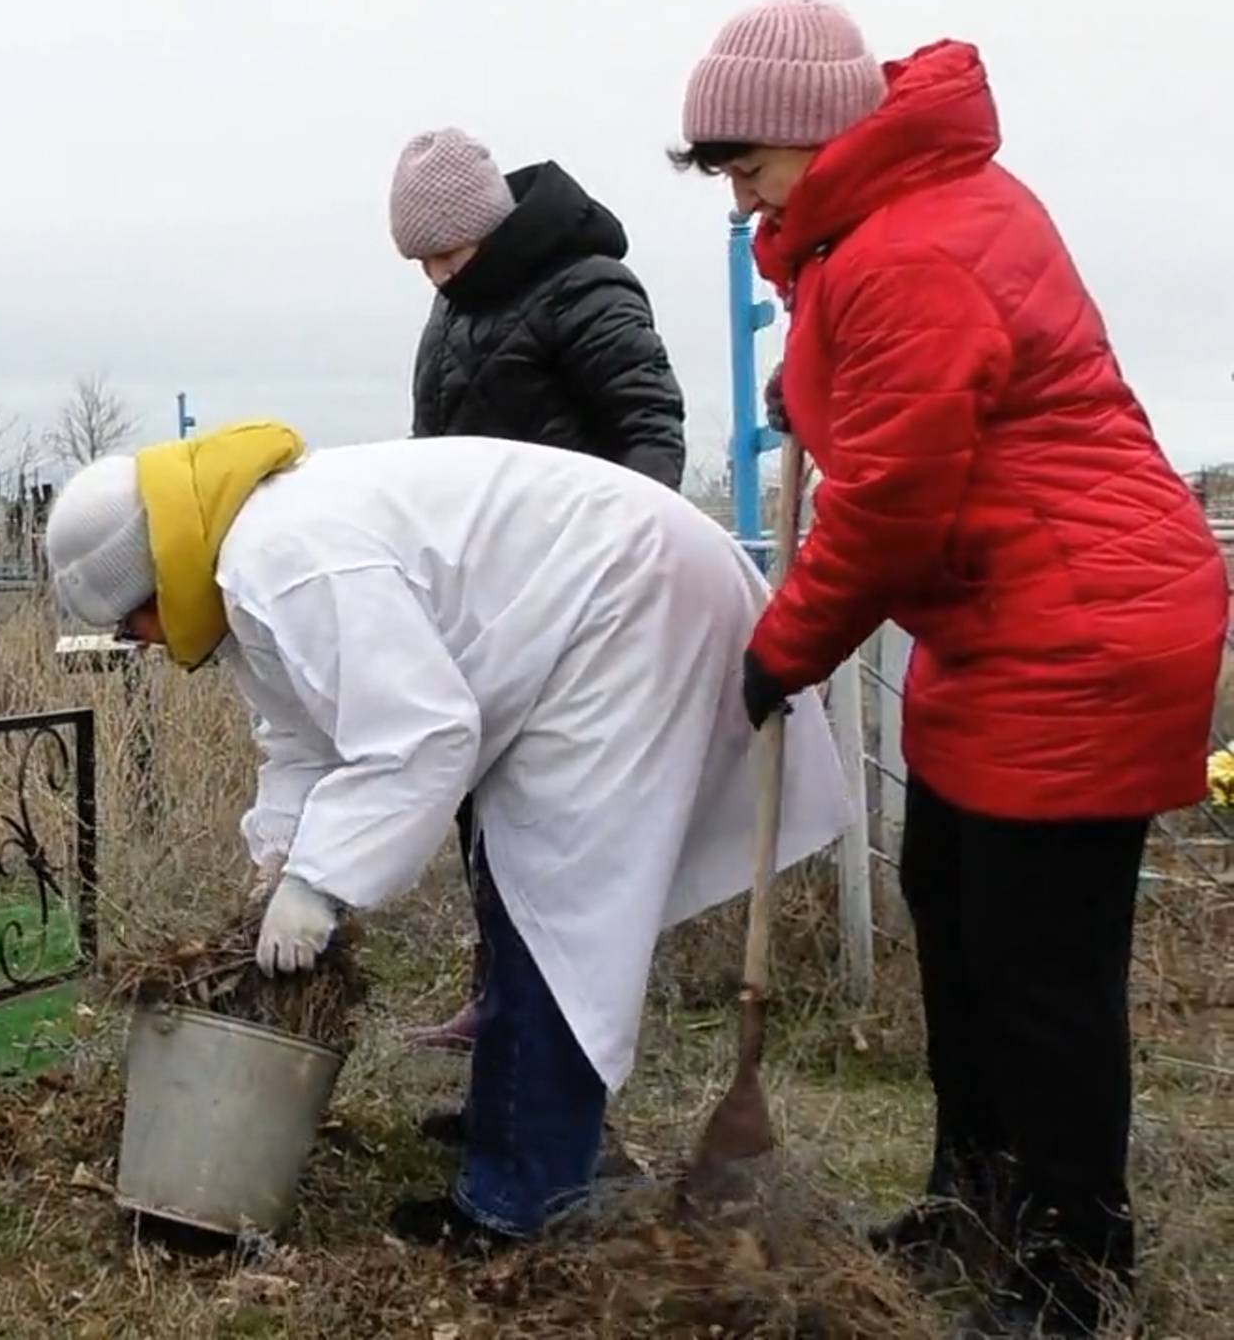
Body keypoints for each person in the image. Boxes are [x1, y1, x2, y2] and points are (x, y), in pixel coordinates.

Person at [674, 0, 1228, 1333]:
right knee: (958, 916)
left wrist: (781, 649)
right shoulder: (883, 223)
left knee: (1039, 971)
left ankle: (1071, 1266)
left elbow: (891, 504)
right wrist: (805, 383)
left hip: (1079, 629)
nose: (737, 190)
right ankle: (975, 1193)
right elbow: (896, 413)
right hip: (1004, 619)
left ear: (814, 131)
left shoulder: (907, 247)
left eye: (745, 161)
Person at [44, 422, 851, 1248]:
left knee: (553, 902)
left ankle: (522, 1200)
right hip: (608, 605)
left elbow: (420, 734)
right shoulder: (247, 563)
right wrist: (277, 865)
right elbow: (306, 737)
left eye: (125, 624)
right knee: (526, 887)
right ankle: (515, 1131)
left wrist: (322, 881)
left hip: (633, 603)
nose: (134, 643)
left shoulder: (286, 561)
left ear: (148, 583)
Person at [389, 127, 690, 1061]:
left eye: (446, 252)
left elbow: (649, 430)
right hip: (482, 607)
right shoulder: (455, 313)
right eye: (420, 260)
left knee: (552, 832)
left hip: (572, 605)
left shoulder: (586, 288)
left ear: (491, 228)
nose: (435, 275)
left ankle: (554, 1048)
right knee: (483, 810)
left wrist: (621, 577)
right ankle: (499, 1008)